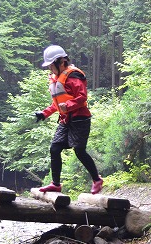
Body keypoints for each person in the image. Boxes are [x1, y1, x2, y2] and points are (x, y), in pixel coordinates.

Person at [34, 44, 104, 194]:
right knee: (55, 149)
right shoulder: (56, 79)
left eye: (50, 65)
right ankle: (56, 184)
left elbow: (82, 97)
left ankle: (97, 180)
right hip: (65, 120)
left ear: (61, 62)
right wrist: (44, 114)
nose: (49, 69)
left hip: (80, 119)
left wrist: (69, 105)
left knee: (79, 150)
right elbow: (57, 104)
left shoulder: (73, 77)